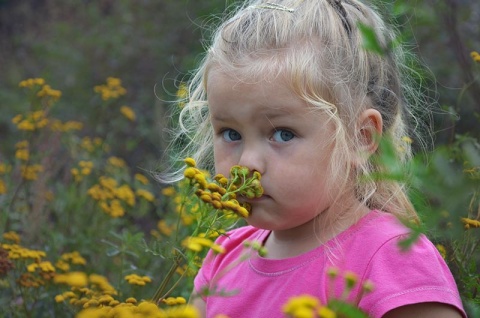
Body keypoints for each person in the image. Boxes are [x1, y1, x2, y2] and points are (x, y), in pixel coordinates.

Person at [162, 0, 467, 317]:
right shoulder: (224, 258)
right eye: (230, 134)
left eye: (282, 134)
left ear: (359, 138)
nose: (247, 164)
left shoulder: (393, 260)